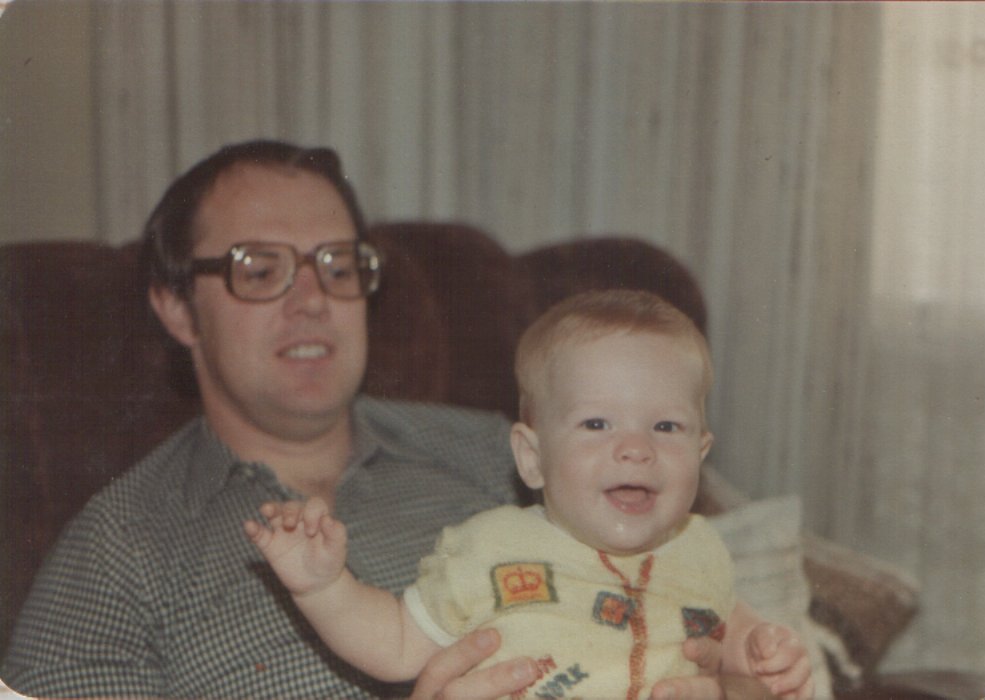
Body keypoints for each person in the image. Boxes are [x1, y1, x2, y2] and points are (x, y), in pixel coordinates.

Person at [2, 140, 744, 700]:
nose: (312, 300)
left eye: (337, 265)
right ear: (177, 308)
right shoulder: (116, 553)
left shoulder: (496, 451)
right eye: (259, 269)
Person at [245, 290, 814, 700]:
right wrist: (323, 587)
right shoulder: (491, 550)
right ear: (532, 457)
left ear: (701, 452)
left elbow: (733, 629)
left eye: (666, 427)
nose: (636, 449)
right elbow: (394, 642)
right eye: (597, 424)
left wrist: (763, 655)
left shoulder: (701, 548)